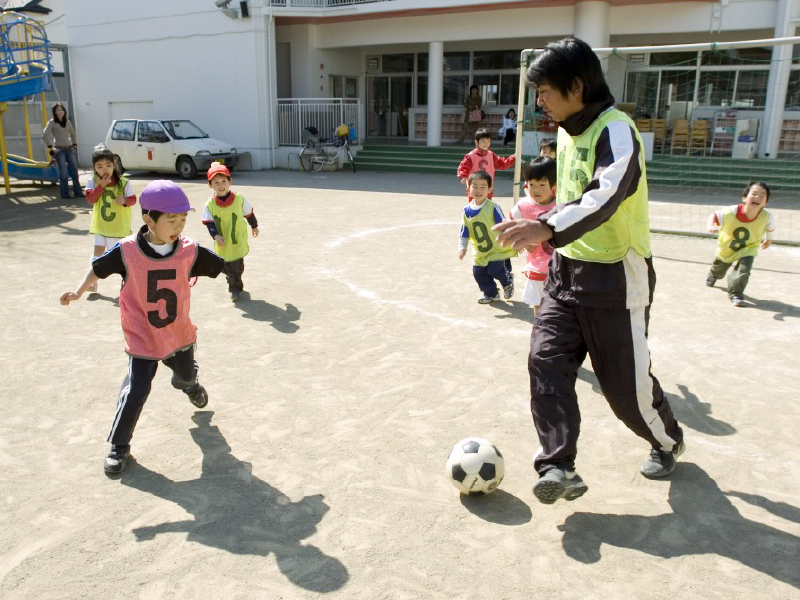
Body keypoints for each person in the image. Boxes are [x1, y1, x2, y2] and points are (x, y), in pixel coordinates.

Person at [492, 37, 684, 505]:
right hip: (566, 272)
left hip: (616, 278)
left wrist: (547, 227)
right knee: (546, 360)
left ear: (577, 86)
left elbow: (605, 194)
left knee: (625, 392)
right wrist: (548, 231)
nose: (540, 100)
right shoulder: (563, 130)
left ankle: (667, 440)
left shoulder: (617, 131)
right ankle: (557, 464)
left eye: (546, 91)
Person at [59, 180, 225, 474]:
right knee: (136, 391)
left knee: (184, 377)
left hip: (178, 334)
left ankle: (189, 384)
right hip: (142, 336)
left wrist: (233, 264)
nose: (179, 226)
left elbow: (219, 265)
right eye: (171, 220)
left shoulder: (189, 251)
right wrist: (78, 291)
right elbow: (98, 268)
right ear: (148, 219)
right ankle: (119, 446)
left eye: (183, 219)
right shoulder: (127, 251)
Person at [705, 181, 775, 307]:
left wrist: (768, 240)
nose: (757, 197)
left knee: (744, 269)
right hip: (727, 246)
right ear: (744, 198)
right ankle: (713, 274)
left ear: (765, 202)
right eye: (754, 193)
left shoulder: (768, 217)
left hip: (749, 246)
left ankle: (736, 293)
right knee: (720, 267)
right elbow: (713, 216)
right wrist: (711, 225)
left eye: (762, 195)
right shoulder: (730, 211)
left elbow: (770, 228)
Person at [202, 162, 259, 302]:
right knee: (224, 266)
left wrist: (254, 226)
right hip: (222, 242)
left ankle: (235, 288)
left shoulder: (239, 199)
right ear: (210, 185)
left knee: (237, 267)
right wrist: (215, 235)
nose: (221, 185)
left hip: (237, 240)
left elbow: (249, 214)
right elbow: (209, 222)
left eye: (223, 181)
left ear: (230, 182)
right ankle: (232, 279)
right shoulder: (210, 204)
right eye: (216, 182)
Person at [84, 144, 137, 294]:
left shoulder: (124, 182)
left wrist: (125, 200)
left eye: (108, 165)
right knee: (97, 254)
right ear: (94, 168)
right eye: (99, 166)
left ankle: (129, 283)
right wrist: (100, 186)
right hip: (101, 226)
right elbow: (91, 199)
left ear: (114, 165)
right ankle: (92, 282)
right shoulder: (92, 181)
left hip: (119, 228)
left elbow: (133, 199)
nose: (104, 169)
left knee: (121, 258)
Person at [458, 170, 516, 304]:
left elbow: (504, 225)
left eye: (483, 187)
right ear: (468, 189)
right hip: (481, 251)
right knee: (478, 273)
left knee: (495, 270)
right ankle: (491, 293)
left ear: (490, 189)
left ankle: (508, 281)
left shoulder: (493, 208)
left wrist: (512, 239)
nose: (479, 190)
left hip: (497, 249)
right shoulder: (466, 210)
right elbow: (464, 231)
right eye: (475, 187)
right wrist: (462, 248)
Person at [508, 157, 557, 312]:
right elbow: (510, 226)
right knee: (538, 305)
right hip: (537, 267)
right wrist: (522, 241)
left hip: (562, 267)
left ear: (554, 185)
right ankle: (541, 330)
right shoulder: (523, 207)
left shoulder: (563, 204)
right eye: (531, 185)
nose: (536, 190)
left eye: (542, 185)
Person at [457, 128, 515, 199]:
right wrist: (463, 176)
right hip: (474, 188)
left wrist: (513, 158)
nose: (486, 144)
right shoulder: (471, 156)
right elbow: (464, 167)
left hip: (487, 187)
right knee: (474, 208)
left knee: (487, 208)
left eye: (488, 141)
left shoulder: (491, 155)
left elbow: (502, 164)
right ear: (476, 142)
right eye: (483, 141)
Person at [43, 103, 83, 199]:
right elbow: (45, 135)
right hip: (59, 150)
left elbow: (73, 134)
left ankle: (78, 192)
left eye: (62, 110)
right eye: (58, 110)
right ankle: (65, 194)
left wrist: (74, 146)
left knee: (74, 171)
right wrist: (51, 147)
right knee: (64, 173)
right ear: (55, 112)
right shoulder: (52, 122)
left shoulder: (68, 122)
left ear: (64, 111)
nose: (60, 112)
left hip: (69, 149)